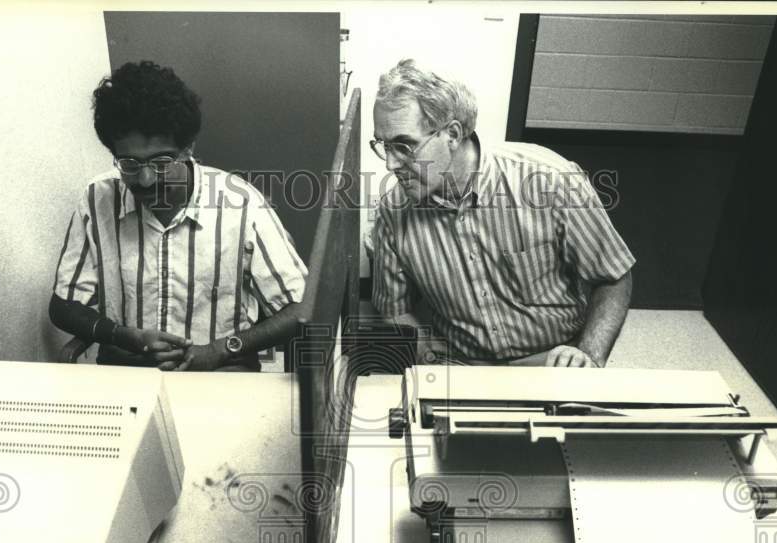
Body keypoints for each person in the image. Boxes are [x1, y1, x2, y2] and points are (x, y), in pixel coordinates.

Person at [366, 59, 634, 367]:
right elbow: (394, 310)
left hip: (552, 360)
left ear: (452, 134)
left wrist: (588, 355)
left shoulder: (550, 179)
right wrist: (429, 357)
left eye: (404, 146)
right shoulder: (393, 212)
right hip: (461, 365)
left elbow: (614, 276)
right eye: (383, 146)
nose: (390, 164)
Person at [50, 61, 306, 372]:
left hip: (219, 372)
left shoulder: (242, 204)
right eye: (129, 163)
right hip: (128, 374)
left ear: (187, 148)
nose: (145, 179)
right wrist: (125, 337)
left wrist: (221, 349)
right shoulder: (97, 199)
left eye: (161, 161)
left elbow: (301, 308)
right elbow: (63, 306)